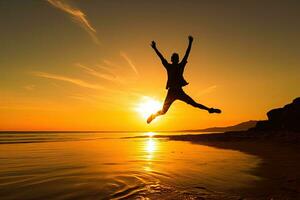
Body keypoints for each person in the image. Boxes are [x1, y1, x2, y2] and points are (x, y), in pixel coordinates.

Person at [147, 36, 221, 124]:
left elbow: (186, 54)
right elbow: (161, 57)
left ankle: (210, 110)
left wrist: (190, 43)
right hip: (171, 92)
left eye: (176, 58)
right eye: (174, 58)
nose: (175, 59)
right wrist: (155, 48)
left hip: (179, 91)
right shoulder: (170, 66)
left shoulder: (179, 66)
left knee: (194, 104)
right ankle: (153, 116)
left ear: (177, 60)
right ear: (172, 59)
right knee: (163, 111)